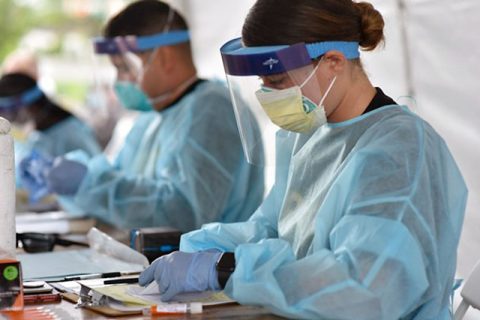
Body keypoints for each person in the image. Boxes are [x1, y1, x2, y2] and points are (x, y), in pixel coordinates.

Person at [137, 0, 468, 319]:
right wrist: (196, 249)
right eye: (263, 83)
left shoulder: (401, 150)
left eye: (278, 81)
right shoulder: (310, 135)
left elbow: (365, 291)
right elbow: (274, 229)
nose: (268, 95)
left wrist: (224, 270)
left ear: (334, 62)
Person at [20, 0, 264, 231]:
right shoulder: (150, 118)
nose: (119, 81)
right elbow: (120, 194)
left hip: (211, 269)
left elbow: (184, 214)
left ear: (165, 57)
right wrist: (75, 185)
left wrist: (88, 183)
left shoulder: (212, 110)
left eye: (125, 67)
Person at [0, 72, 101, 202]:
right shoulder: (40, 134)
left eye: (9, 112)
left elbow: (95, 180)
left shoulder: (71, 133)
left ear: (29, 105)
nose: (9, 119)